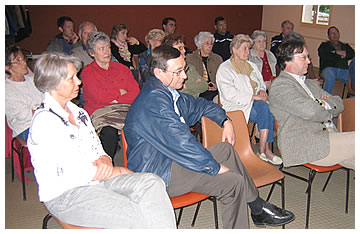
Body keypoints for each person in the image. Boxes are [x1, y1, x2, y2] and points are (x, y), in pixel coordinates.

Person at [124, 45, 295, 229]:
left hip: (171, 160)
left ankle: (256, 207)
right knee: (233, 183)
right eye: (178, 72)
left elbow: (202, 106)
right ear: (159, 73)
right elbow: (182, 141)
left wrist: (225, 121)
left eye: (184, 69)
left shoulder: (170, 94)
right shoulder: (153, 102)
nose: (185, 76)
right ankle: (255, 210)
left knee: (226, 150)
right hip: (157, 174)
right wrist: (212, 167)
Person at [27, 52, 176, 228]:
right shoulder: (45, 122)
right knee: (134, 213)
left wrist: (105, 158)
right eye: (71, 78)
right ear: (54, 84)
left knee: (152, 183)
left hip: (99, 180)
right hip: (67, 193)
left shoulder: (78, 113)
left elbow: (96, 146)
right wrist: (116, 171)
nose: (79, 82)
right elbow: (70, 171)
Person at [268, 37, 354, 170]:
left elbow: (339, 103)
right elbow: (311, 111)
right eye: (303, 57)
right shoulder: (280, 86)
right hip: (307, 144)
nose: (309, 61)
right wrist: (324, 106)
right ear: (287, 60)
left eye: (308, 57)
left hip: (329, 136)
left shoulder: (309, 84)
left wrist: (322, 104)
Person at [216, 34, 281, 165]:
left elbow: (261, 83)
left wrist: (262, 90)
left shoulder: (251, 66)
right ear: (234, 49)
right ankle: (265, 150)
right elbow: (230, 94)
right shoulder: (225, 68)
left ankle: (263, 149)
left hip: (255, 103)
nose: (248, 52)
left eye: (248, 48)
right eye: (245, 48)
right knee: (266, 111)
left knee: (265, 108)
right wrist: (252, 96)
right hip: (236, 105)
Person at [82, 32, 140, 161]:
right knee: (109, 131)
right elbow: (97, 96)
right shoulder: (88, 72)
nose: (107, 52)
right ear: (92, 53)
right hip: (101, 113)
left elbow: (135, 92)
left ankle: (140, 161)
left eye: (108, 47)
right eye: (101, 49)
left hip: (125, 110)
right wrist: (120, 92)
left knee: (143, 124)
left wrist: (114, 100)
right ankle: (107, 166)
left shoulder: (122, 69)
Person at [5, 45, 43, 141]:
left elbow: (46, 98)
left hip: (42, 118)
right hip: (25, 127)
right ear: (7, 67)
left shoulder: (32, 80)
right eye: (18, 61)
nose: (24, 63)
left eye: (23, 59)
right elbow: (25, 115)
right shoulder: (7, 89)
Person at [162, 33, 208, 98]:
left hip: (195, 103)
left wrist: (185, 86)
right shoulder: (166, 71)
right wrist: (194, 86)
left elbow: (204, 86)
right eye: (180, 48)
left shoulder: (190, 67)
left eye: (183, 47)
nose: (184, 50)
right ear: (170, 51)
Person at [186, 32, 223, 101]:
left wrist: (217, 86)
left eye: (211, 43)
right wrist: (204, 86)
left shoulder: (217, 59)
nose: (210, 46)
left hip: (215, 91)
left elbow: (223, 77)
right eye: (207, 43)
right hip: (198, 92)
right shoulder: (190, 59)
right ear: (200, 45)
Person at [318, 26, 355, 94]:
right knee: (330, 74)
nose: (335, 35)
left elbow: (352, 54)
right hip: (328, 69)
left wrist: (335, 53)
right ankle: (326, 99)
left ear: (339, 34)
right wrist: (340, 54)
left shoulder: (345, 46)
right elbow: (326, 57)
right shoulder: (324, 46)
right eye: (332, 33)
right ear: (328, 36)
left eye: (336, 33)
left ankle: (353, 99)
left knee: (354, 76)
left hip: (343, 70)